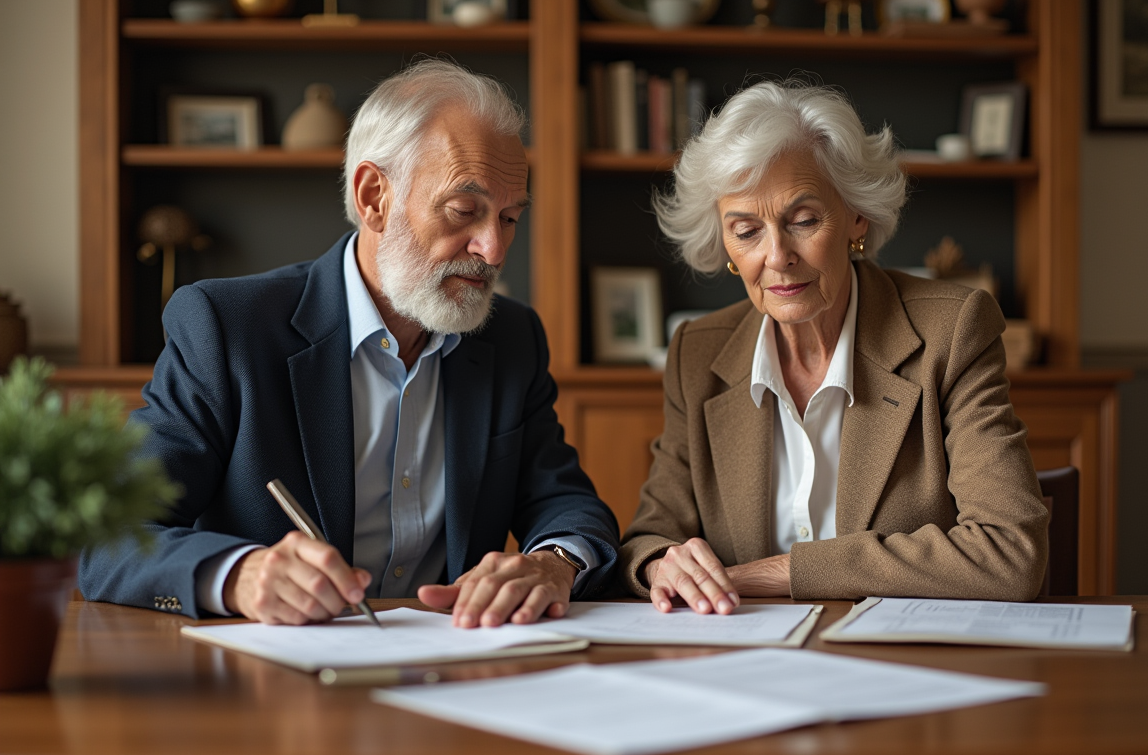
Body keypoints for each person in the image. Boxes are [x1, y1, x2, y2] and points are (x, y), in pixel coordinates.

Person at [80, 60, 620, 627]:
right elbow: (109, 538)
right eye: (465, 211)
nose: (494, 250)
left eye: (509, 218)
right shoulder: (225, 327)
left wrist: (554, 561)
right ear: (374, 197)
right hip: (278, 682)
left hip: (456, 666)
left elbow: (568, 504)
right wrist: (241, 576)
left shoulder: (512, 338)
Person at [618, 80, 1048, 613]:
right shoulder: (696, 354)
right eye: (746, 230)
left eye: (803, 221)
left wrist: (772, 574)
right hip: (744, 666)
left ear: (856, 216)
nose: (777, 256)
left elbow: (1010, 552)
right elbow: (648, 538)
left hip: (906, 665)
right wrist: (664, 565)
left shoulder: (952, 331)